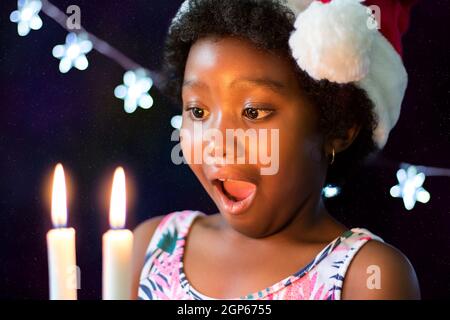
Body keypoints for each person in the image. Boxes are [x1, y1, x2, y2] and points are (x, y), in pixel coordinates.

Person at [132, 0, 420, 300]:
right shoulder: (150, 248)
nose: (215, 141)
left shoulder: (368, 278)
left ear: (340, 128)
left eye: (253, 112)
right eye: (198, 111)